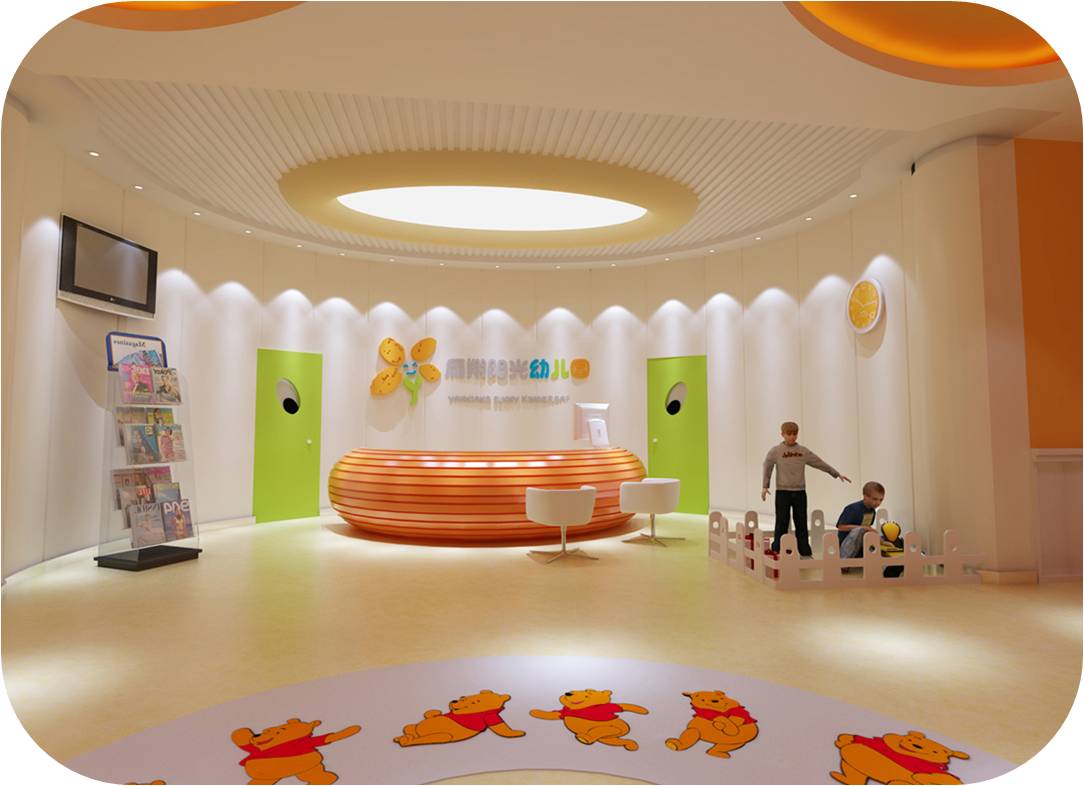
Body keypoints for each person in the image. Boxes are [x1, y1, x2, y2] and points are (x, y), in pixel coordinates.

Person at [762, 421, 851, 557]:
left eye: (794, 434)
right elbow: (767, 466)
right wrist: (765, 486)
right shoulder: (776, 451)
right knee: (781, 522)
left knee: (801, 522)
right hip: (782, 492)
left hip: (800, 492)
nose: (792, 437)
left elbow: (819, 462)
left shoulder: (803, 451)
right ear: (782, 434)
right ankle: (777, 550)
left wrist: (836, 473)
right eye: (789, 434)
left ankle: (804, 552)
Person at [836, 481, 886, 549]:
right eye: (875, 499)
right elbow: (841, 527)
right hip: (846, 546)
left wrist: (882, 541)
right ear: (865, 496)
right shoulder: (852, 508)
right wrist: (863, 528)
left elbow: (867, 527)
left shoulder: (872, 511)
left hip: (861, 545)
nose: (878, 503)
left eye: (881, 500)